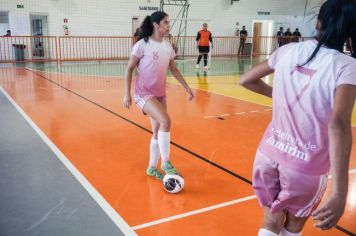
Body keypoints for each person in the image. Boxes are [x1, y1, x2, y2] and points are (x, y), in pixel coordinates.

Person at [239, 0, 356, 235]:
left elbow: (246, 79)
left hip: (267, 154)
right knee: (292, 228)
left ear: (318, 22)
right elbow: (339, 125)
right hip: (305, 165)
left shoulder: (288, 50)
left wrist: (278, 96)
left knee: (270, 223)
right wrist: (340, 193)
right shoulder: (347, 66)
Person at [123, 11, 194, 180]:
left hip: (160, 95)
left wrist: (187, 88)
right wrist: (126, 94)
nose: (169, 25)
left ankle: (151, 167)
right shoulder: (142, 45)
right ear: (156, 25)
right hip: (143, 93)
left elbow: (174, 69)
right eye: (166, 22)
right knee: (166, 121)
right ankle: (166, 162)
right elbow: (130, 68)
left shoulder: (167, 46)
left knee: (157, 131)